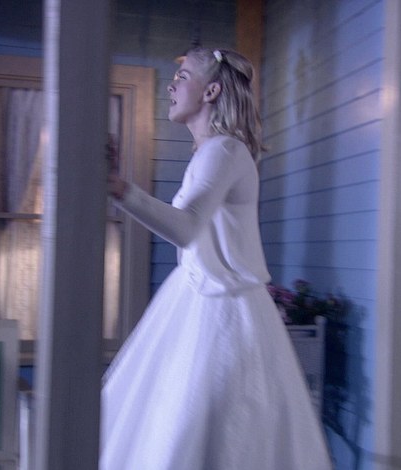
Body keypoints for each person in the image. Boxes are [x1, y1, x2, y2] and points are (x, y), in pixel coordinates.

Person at [101, 46, 332, 470]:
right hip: (197, 299)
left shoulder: (224, 150)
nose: (171, 86)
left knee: (209, 428)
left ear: (211, 92)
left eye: (183, 76)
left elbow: (186, 228)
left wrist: (121, 190)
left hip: (224, 313)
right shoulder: (211, 152)